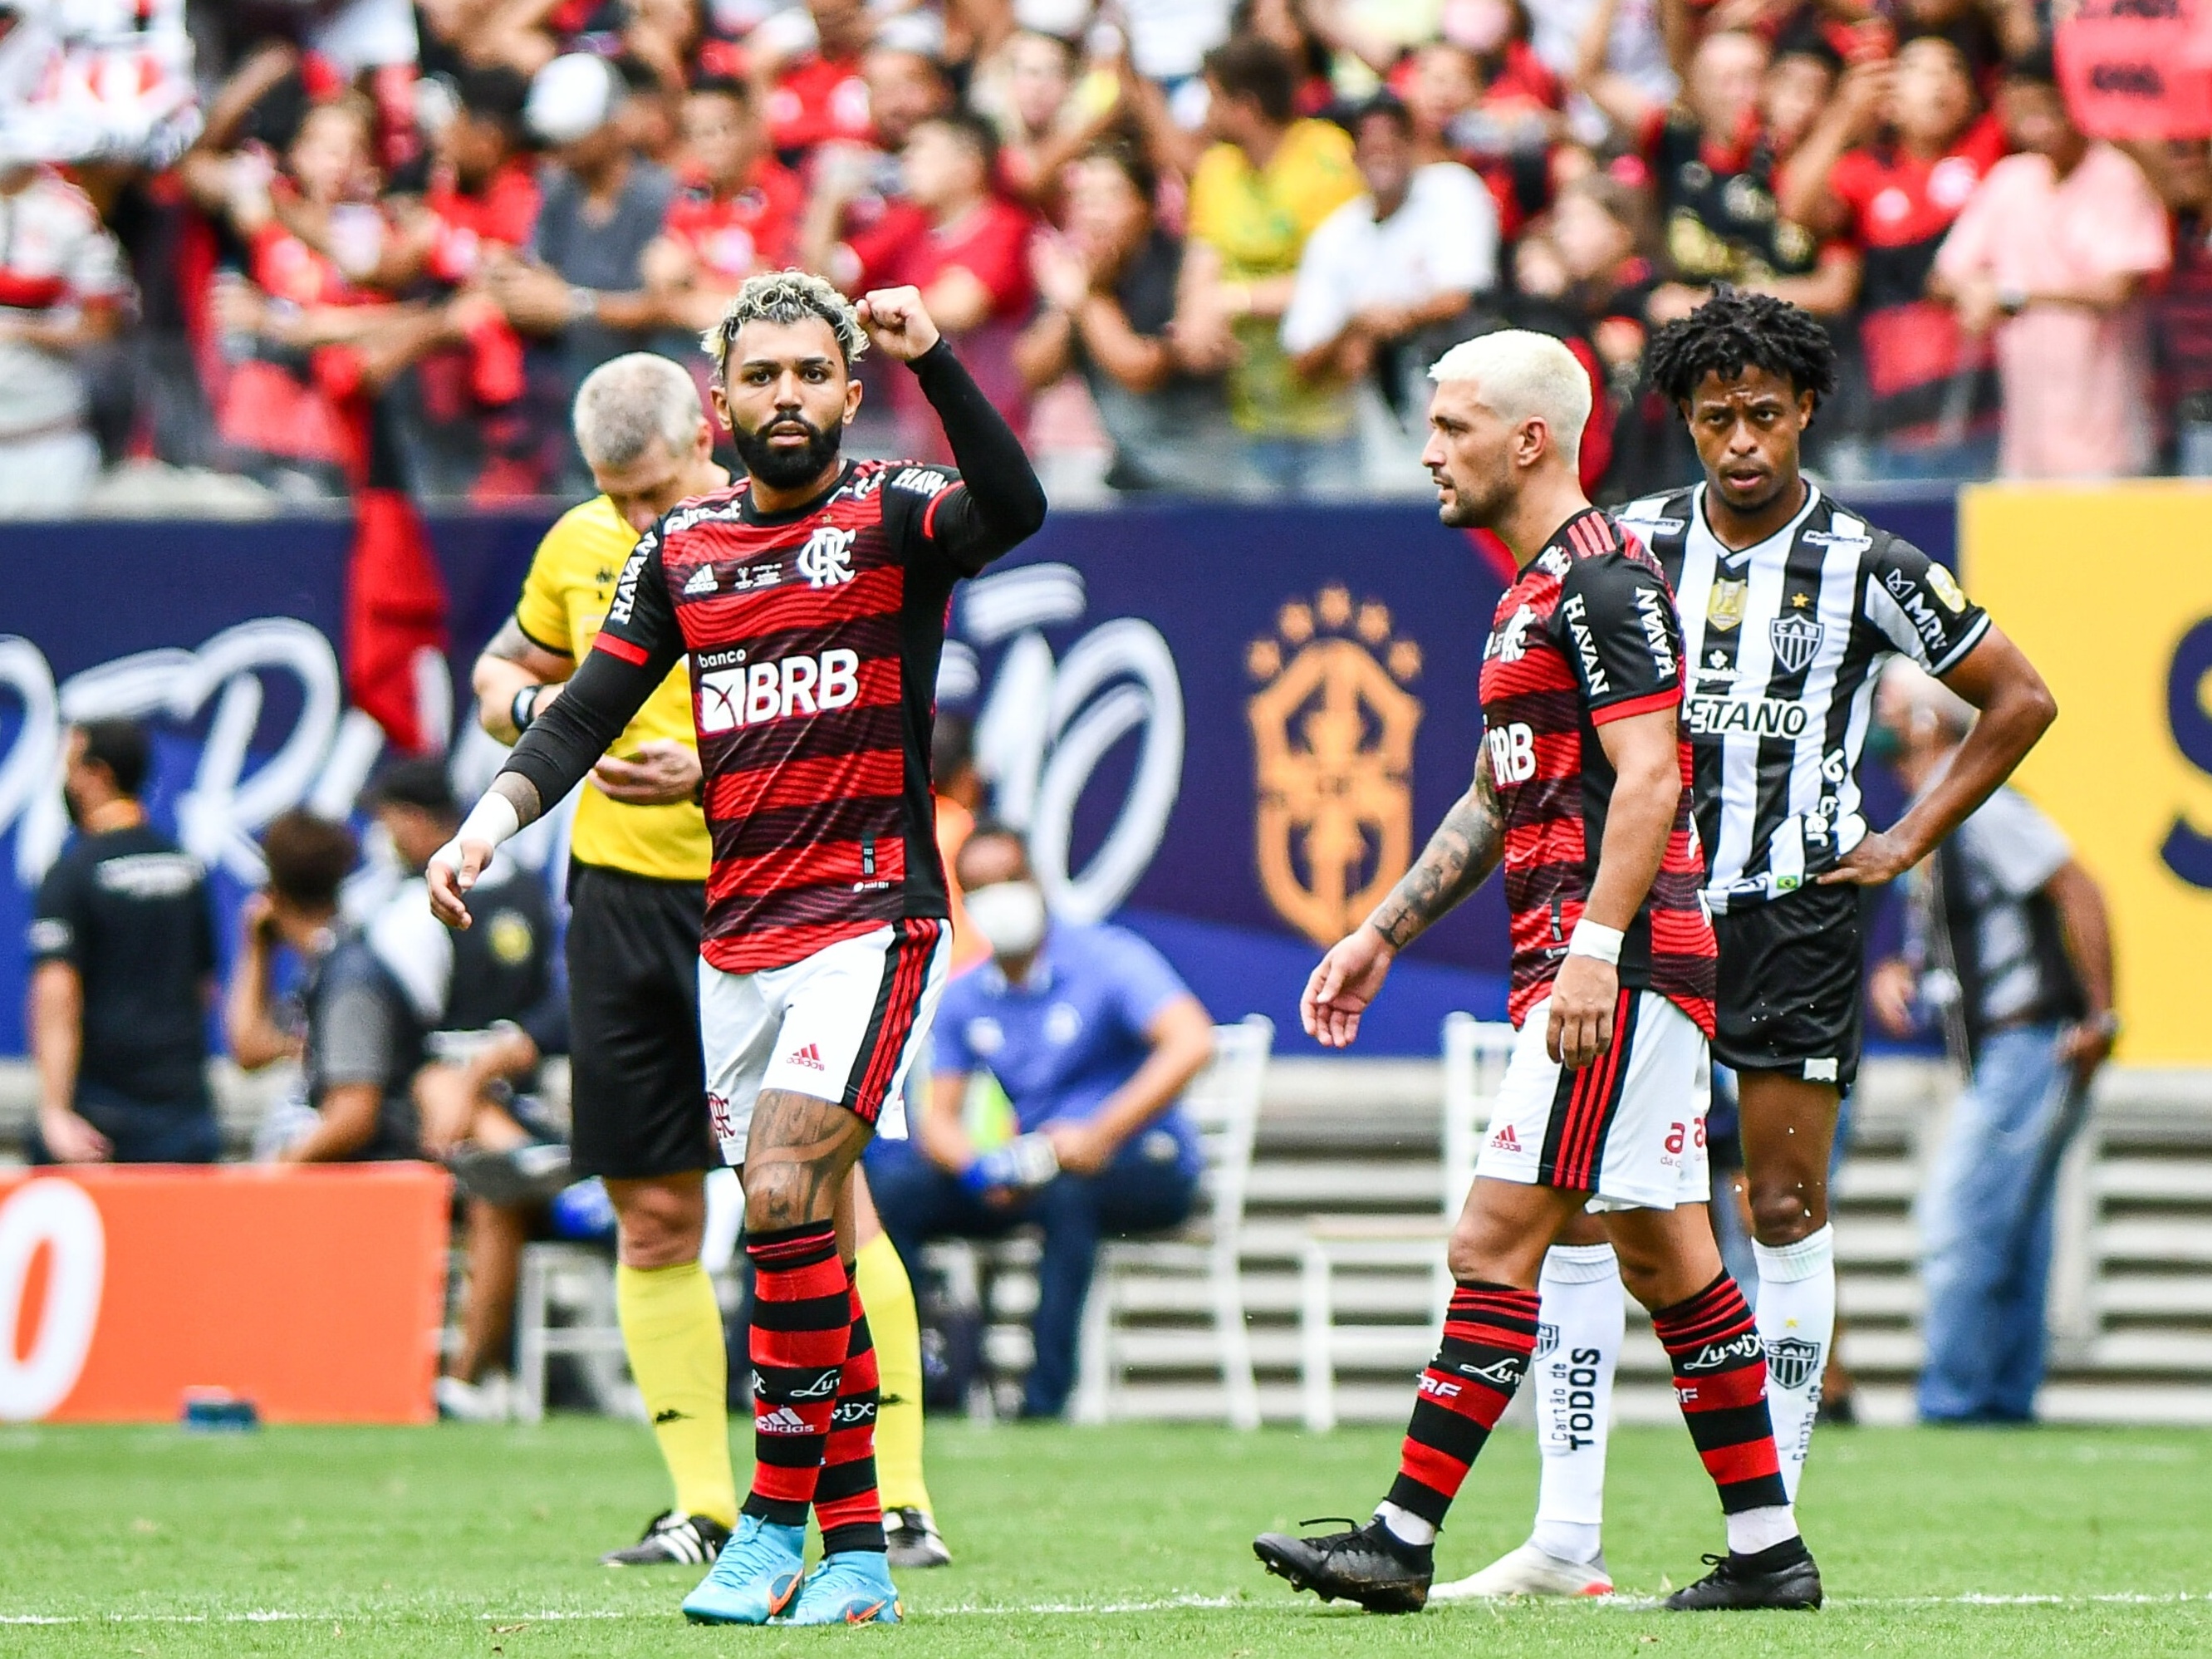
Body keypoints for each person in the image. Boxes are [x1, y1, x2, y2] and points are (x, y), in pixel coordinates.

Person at [430, 272, 1046, 1625]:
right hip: (737, 937)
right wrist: (480, 830)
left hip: (873, 916)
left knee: (778, 1192)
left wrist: (939, 358)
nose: (785, 398)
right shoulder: (684, 552)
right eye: (759, 377)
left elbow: (1014, 506)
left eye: (809, 375)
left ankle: (770, 1522)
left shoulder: (890, 516)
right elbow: (583, 709)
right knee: (791, 1229)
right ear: (723, 404)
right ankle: (857, 1559)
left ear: (846, 388)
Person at [1440, 289, 2058, 1600]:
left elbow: (2018, 696)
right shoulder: (1632, 545)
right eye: (1714, 417)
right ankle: (1565, 1532)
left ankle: (1759, 1524)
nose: (1738, 442)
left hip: (1789, 907)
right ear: (1681, 418)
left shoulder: (1868, 563)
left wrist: (1904, 840)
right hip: (1653, 918)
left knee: (1777, 1207)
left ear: (1805, 415)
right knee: (1598, 1212)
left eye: (1762, 417)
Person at [1255, 329, 1819, 1616]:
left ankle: (1399, 1536)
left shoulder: (1604, 582)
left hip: (1610, 977)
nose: (1425, 448)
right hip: (1610, 971)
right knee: (1666, 1260)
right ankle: (1767, 1553)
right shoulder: (1535, 589)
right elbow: (1494, 792)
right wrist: (1379, 931)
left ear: (1527, 440)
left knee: (1490, 1240)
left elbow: (1652, 775)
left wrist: (1594, 951)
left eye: (1450, 425)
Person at [866, 825, 1215, 1420]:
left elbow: (1191, 1041)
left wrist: (1100, 1133)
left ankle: (1044, 1399)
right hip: (1034, 1165)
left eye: (1008, 880)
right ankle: (921, 1374)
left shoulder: (1106, 957)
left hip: (1140, 1159)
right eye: (978, 888)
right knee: (895, 1194)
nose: (997, 898)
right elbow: (937, 1120)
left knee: (1069, 1196)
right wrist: (979, 1169)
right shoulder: (967, 992)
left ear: (1035, 881)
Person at [1866, 664, 2116, 1425]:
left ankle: (1955, 1399)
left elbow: (2078, 887)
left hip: (2027, 1039)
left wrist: (2101, 1016)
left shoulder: (1978, 802)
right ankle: (2005, 1396)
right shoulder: (1944, 808)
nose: (1873, 718)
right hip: (2011, 1045)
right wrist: (1904, 967)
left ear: (1922, 722)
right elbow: (1962, 927)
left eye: (1886, 705)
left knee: (1961, 1218)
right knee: (2017, 1230)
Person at [356, 758, 568, 1422]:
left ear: (414, 820)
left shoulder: (521, 893)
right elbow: (398, 1050)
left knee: (490, 1186)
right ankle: (524, 1160)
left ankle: (468, 1378)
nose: (387, 836)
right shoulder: (393, 905)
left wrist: (491, 1061)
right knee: (483, 1159)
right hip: (431, 1117)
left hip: (499, 1103)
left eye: (389, 821)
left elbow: (564, 1007)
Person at [1928, 47, 2172, 480]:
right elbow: (1944, 275)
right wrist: (1973, 292)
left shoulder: (2119, 176)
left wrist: (2011, 295)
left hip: (2110, 441)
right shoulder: (2011, 178)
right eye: (2019, 108)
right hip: (2026, 445)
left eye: (2041, 105)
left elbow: (2118, 288)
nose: (2030, 121)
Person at [1281, 91, 1498, 492]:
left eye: (1392, 143)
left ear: (1413, 146)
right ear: (1354, 156)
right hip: (1378, 445)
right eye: (1370, 146)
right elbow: (1302, 357)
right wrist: (1356, 327)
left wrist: (1391, 319)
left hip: (1468, 423)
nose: (1382, 156)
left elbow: (1462, 296)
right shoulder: (1336, 235)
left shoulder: (1452, 190)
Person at [27, 721, 217, 1166]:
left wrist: (54, 1111)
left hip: (102, 1119)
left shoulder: (71, 874)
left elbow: (57, 993)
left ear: (97, 776)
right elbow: (205, 988)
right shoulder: (185, 867)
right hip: (185, 1108)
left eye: (70, 767)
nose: (65, 781)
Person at [1180, 33, 1364, 495]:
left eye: (1213, 99)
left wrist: (1232, 300)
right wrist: (1193, 318)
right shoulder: (1216, 168)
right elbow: (1202, 258)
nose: (1205, 115)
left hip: (1329, 417)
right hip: (1248, 419)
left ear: (1245, 106)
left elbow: (1341, 281)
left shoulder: (1328, 157)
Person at [488, 54, 677, 488]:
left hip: (649, 405)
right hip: (568, 411)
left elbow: (666, 306)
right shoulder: (558, 193)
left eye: (573, 137)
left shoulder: (659, 195)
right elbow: (538, 274)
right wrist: (511, 277)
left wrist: (574, 305)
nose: (560, 150)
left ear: (613, 126)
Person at [1012, 142, 1234, 497]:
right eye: (1083, 199)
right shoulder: (1081, 272)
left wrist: (1086, 297)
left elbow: (1140, 368)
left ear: (1146, 206)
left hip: (1206, 477)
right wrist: (1071, 303)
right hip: (1131, 475)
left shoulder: (1177, 266)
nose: (1093, 214)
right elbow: (1032, 371)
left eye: (1109, 197)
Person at [228, 810, 425, 1166]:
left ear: (271, 890)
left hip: (369, 1179)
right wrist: (257, 950)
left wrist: (279, 1174)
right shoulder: (323, 966)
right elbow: (249, 1048)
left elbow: (354, 1114)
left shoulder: (350, 979)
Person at [0, 161, 131, 515]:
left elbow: (106, 326)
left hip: (50, 434)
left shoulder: (68, 211)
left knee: (57, 561)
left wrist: (23, 330)